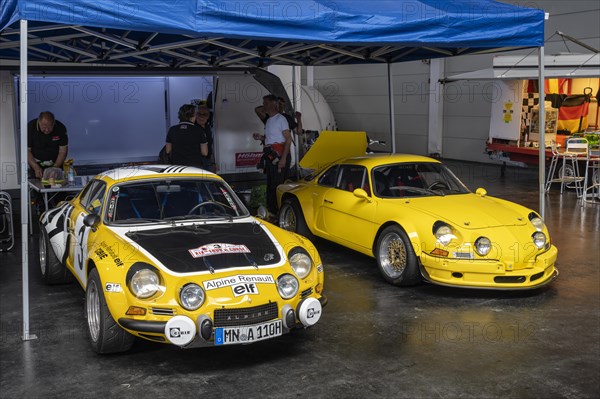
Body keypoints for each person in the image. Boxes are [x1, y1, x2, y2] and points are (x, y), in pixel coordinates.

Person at [252, 94, 292, 216]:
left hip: (279, 156)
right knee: (270, 184)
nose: (263, 106)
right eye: (263, 103)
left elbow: (288, 139)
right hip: (270, 155)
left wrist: (283, 159)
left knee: (277, 185)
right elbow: (272, 139)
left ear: (273, 105)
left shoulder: (281, 119)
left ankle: (279, 211)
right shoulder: (269, 120)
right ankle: (271, 211)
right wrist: (261, 137)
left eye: (266, 103)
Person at [165, 104, 208, 168]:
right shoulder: (199, 130)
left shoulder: (172, 130)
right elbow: (205, 152)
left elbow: (168, 150)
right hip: (195, 166)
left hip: (177, 167)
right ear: (193, 116)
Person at [27, 111, 68, 178]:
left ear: (53, 123)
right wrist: (36, 168)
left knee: (56, 184)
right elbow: (27, 151)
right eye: (44, 126)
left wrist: (55, 168)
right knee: (36, 184)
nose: (47, 130)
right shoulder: (30, 127)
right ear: (39, 122)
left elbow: (63, 151)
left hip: (56, 163)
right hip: (36, 164)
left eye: (49, 127)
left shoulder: (61, 128)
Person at [194, 105, 213, 170]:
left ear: (208, 116)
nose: (202, 116)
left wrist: (212, 162)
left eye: (205, 114)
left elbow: (210, 144)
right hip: (197, 162)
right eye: (199, 114)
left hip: (207, 161)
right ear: (195, 115)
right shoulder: (193, 128)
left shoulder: (208, 127)